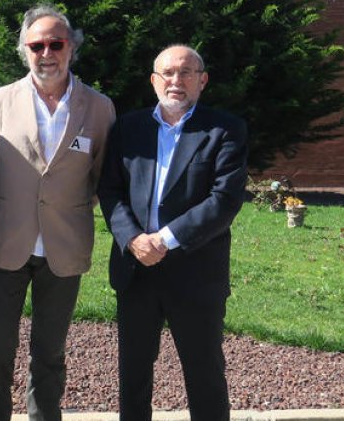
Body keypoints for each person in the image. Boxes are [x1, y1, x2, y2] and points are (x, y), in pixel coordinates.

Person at [0, 5, 116, 421]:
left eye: (56, 43)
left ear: (72, 48)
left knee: (50, 352)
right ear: (25, 51)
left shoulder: (99, 108)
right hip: (6, 245)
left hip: (64, 248)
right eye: (37, 45)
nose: (47, 53)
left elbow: (104, 178)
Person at [97, 45, 248, 421]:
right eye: (167, 73)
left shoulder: (224, 130)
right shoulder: (128, 128)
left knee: (205, 376)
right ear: (154, 80)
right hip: (136, 272)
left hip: (196, 274)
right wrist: (133, 240)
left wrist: (162, 240)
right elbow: (110, 191)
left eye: (185, 73)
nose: (175, 81)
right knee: (132, 378)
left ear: (202, 80)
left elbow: (224, 201)